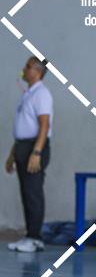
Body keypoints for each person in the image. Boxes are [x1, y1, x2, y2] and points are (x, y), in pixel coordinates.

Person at [5, 57, 53, 252]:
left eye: (28, 66)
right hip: (22, 147)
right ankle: (29, 235)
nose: (24, 69)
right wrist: (12, 155)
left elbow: (44, 125)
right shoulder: (28, 94)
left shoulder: (42, 94)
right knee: (26, 192)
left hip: (34, 147)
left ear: (38, 72)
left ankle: (35, 238)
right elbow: (22, 128)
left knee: (33, 192)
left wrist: (37, 152)